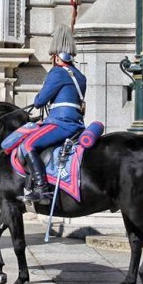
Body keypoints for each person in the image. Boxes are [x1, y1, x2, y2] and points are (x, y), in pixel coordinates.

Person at [21, 25, 87, 203]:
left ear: (56, 56)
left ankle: (41, 189)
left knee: (28, 145)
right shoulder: (80, 75)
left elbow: (40, 101)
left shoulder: (57, 73)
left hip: (61, 123)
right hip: (78, 124)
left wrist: (38, 97)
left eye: (52, 56)